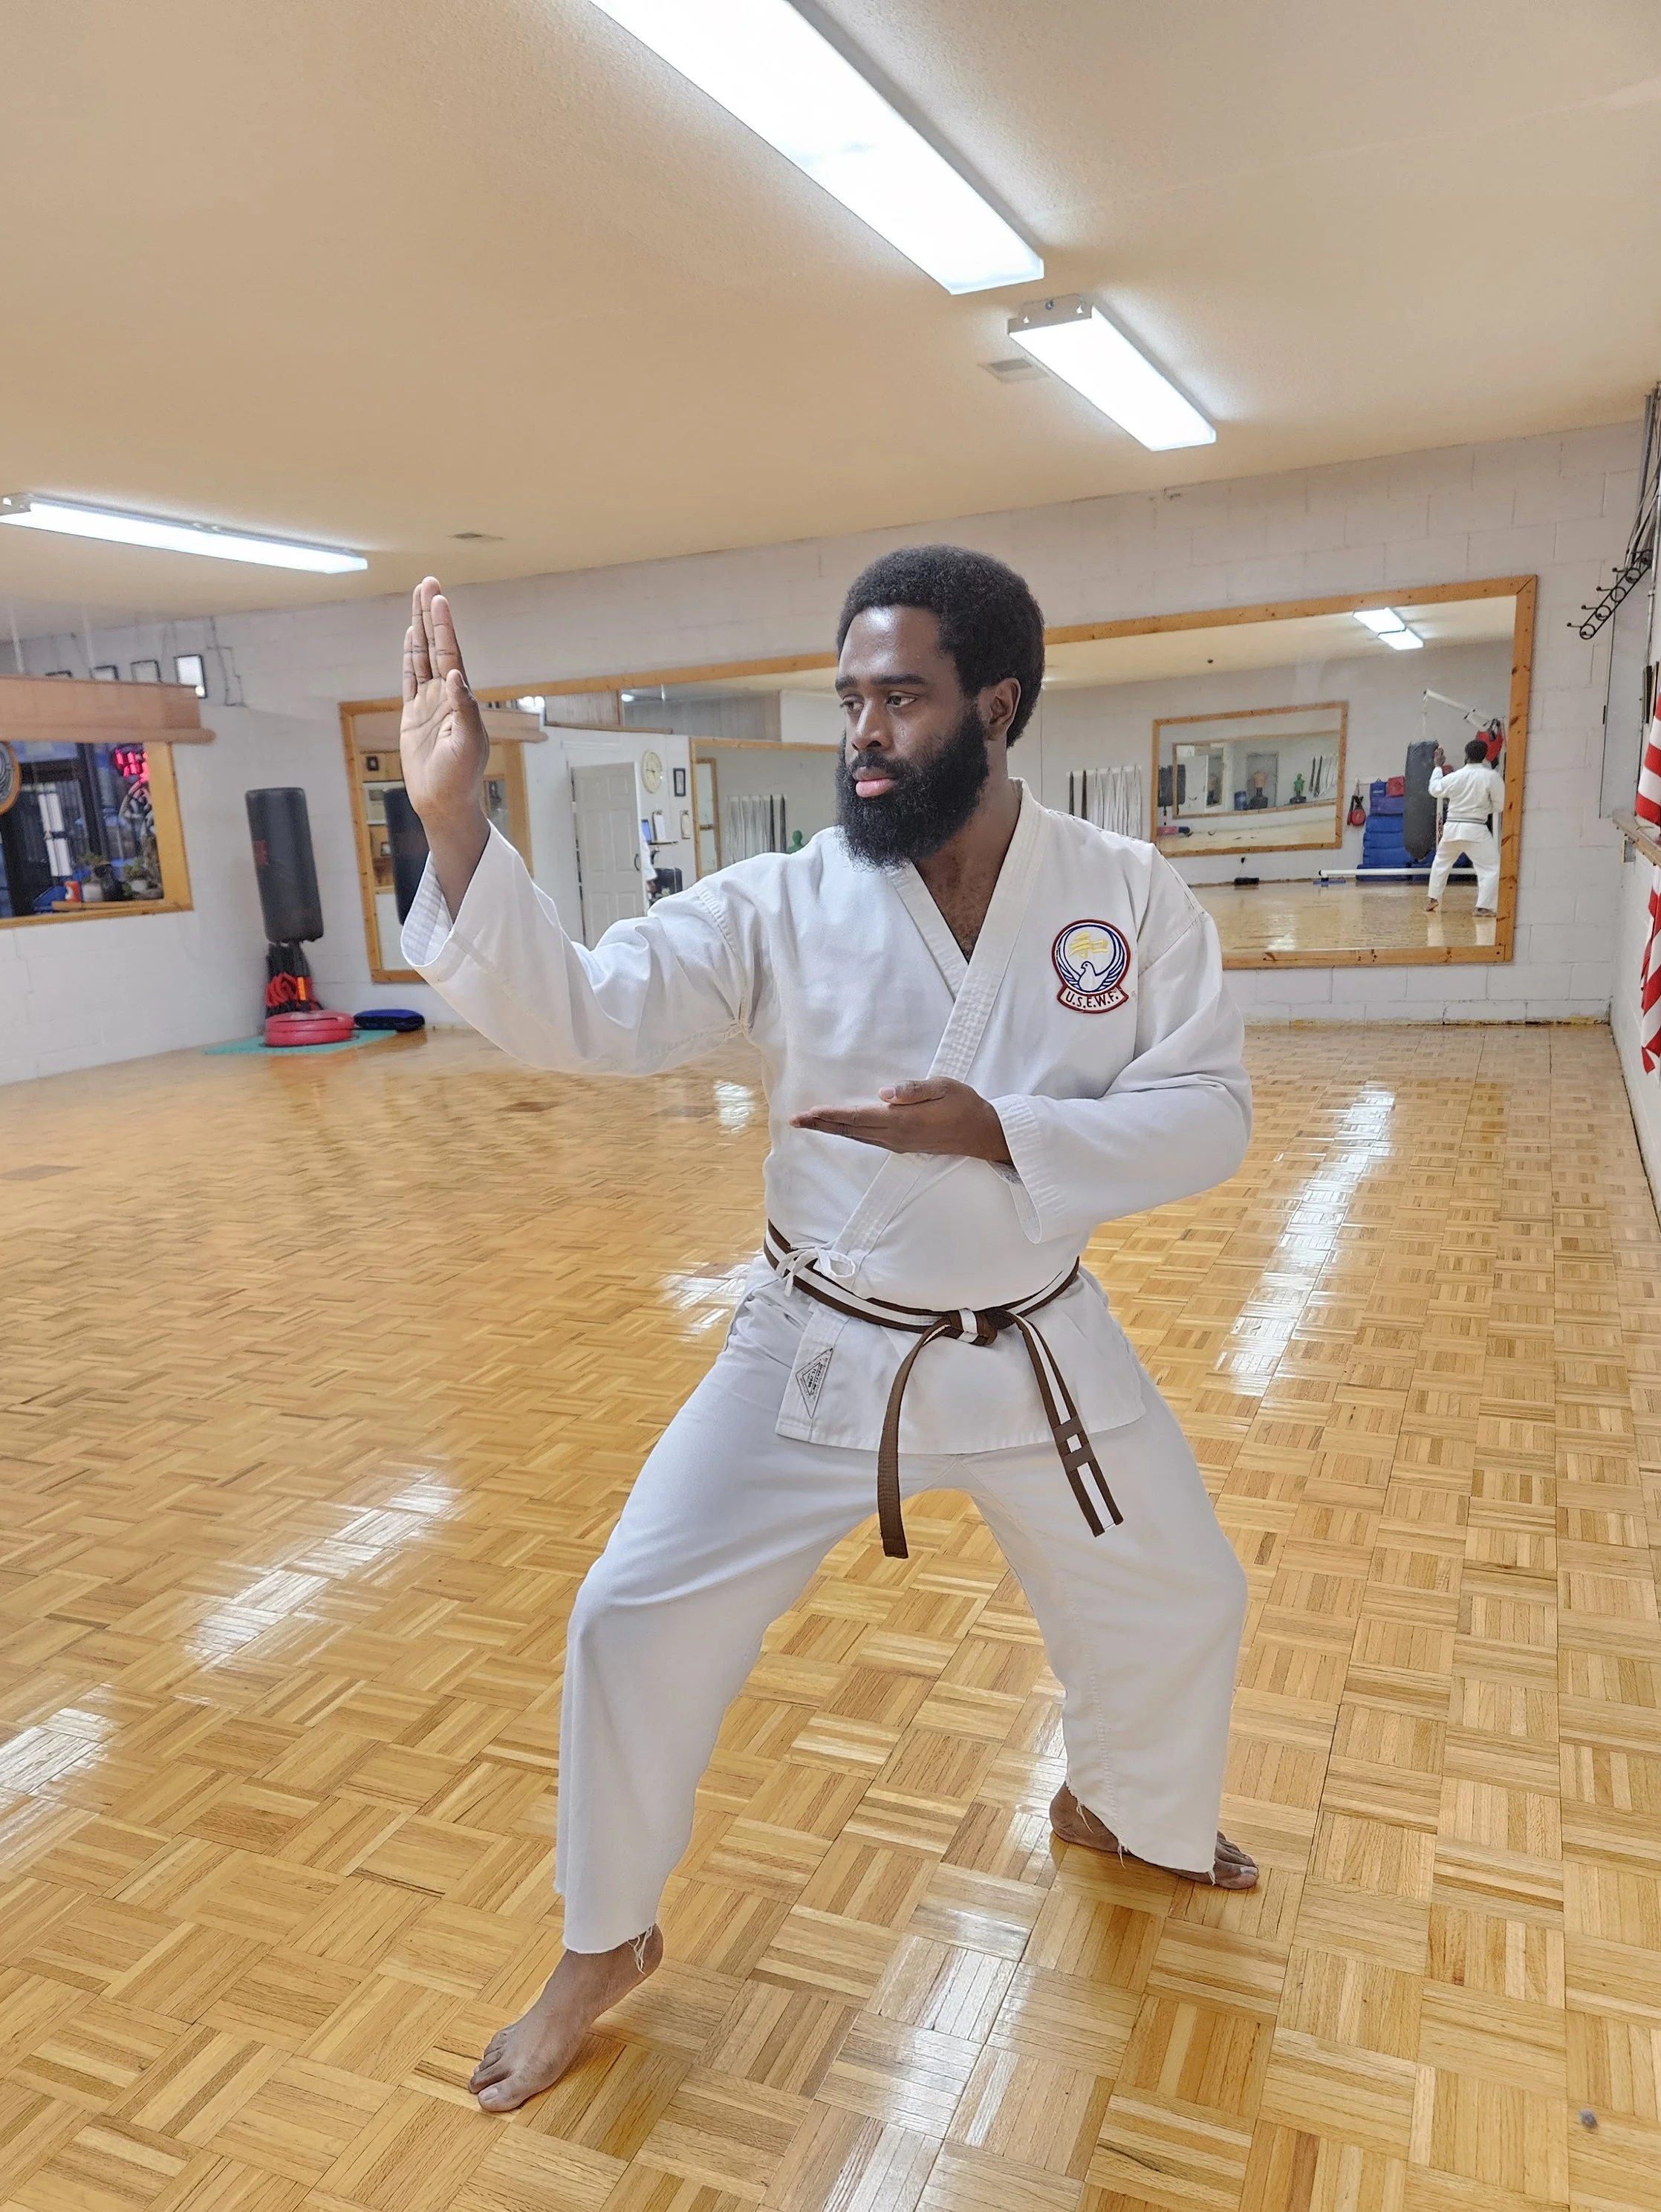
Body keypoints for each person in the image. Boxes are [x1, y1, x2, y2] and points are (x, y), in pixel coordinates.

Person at [398, 546, 1258, 2113]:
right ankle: (604, 1937)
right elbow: (591, 1008)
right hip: (817, 1340)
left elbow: (1208, 1116)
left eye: (899, 696)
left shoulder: (1123, 896)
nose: (861, 729)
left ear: (994, 703)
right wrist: (456, 816)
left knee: (1182, 1585)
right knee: (625, 1610)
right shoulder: (787, 896)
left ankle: (1124, 1805)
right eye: (847, 695)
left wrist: (1002, 1131)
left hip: (1035, 1343)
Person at [1426, 736, 1505, 914]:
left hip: (1452, 827)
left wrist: (1438, 767)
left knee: (1441, 863)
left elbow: (1435, 789)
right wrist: (1483, 808)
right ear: (1485, 756)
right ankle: (1484, 907)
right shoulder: (1491, 777)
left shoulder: (1455, 777)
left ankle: (1433, 899)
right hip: (1476, 828)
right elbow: (1501, 805)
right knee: (1490, 868)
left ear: (1466, 755)